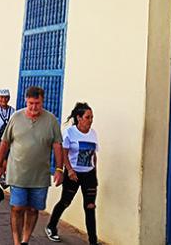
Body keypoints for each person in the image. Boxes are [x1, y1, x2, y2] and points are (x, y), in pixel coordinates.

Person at [0, 86, 63, 245]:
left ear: (42, 101)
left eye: (37, 103)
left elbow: (57, 145)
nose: (34, 107)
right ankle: (17, 242)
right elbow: (5, 142)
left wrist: (59, 169)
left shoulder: (51, 120)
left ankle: (25, 240)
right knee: (17, 207)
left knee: (33, 209)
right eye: (31, 103)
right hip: (17, 173)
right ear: (26, 101)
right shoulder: (16, 118)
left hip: (40, 176)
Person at [45, 102, 99, 244]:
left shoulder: (93, 133)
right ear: (79, 118)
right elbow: (64, 154)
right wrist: (69, 170)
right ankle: (51, 226)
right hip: (73, 174)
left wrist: (94, 174)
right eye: (88, 117)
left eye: (92, 117)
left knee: (90, 206)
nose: (91, 120)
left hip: (89, 175)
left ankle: (93, 241)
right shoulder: (70, 132)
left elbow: (94, 155)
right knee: (65, 202)